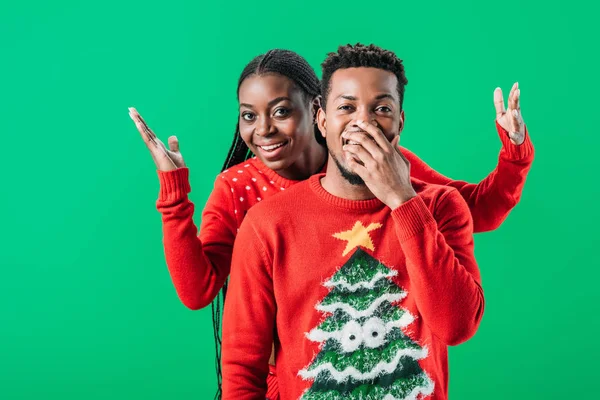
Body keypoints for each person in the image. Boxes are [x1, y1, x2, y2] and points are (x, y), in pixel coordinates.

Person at [129, 48, 533, 399]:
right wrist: (174, 195)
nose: (265, 130)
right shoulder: (251, 205)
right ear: (326, 116)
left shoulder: (399, 176)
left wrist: (405, 193)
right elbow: (204, 298)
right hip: (291, 375)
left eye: (282, 111)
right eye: (249, 116)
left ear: (311, 112)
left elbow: (473, 211)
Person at [221, 43, 501, 400]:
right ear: (322, 119)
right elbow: (243, 367)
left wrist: (403, 200)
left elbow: (457, 326)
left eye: (381, 108)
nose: (363, 122)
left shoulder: (441, 207)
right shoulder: (267, 224)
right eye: (346, 107)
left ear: (400, 121)